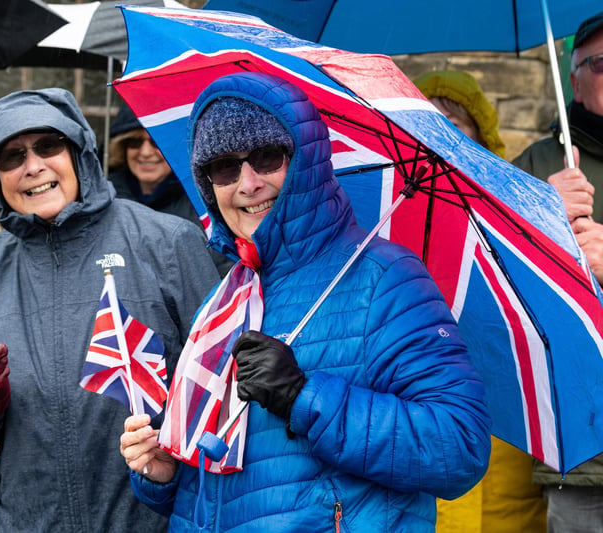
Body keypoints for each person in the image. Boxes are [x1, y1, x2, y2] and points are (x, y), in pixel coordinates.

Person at [119, 71, 492, 531]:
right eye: (224, 168)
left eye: (267, 157)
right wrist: (165, 473)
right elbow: (223, 487)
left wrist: (304, 397)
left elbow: (458, 447)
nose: (248, 183)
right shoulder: (225, 298)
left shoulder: (384, 278)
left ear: (306, 161)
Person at [0, 87, 221, 531]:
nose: (33, 166)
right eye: (11, 157)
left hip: (152, 517)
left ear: (77, 152)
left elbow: (222, 391)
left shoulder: (167, 241)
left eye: (48, 145)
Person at [413, 69, 547, 533]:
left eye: (456, 127)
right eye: (431, 126)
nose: (442, 141)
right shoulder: (388, 209)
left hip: (505, 415)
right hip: (430, 415)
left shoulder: (518, 213)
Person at [512, 11, 603, 532]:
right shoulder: (535, 166)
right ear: (574, 77)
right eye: (602, 63)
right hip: (581, 442)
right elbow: (495, 276)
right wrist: (541, 212)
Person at [107, 103, 233, 277]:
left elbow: (221, 273)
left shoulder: (203, 206)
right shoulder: (106, 200)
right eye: (134, 142)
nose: (145, 153)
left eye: (156, 142)